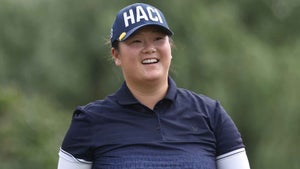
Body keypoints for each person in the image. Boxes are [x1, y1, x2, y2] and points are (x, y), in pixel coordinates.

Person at [57, 3, 251, 169]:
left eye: (158, 39)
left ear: (170, 47)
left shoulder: (212, 115)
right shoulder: (89, 122)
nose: (149, 48)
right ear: (116, 55)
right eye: (136, 41)